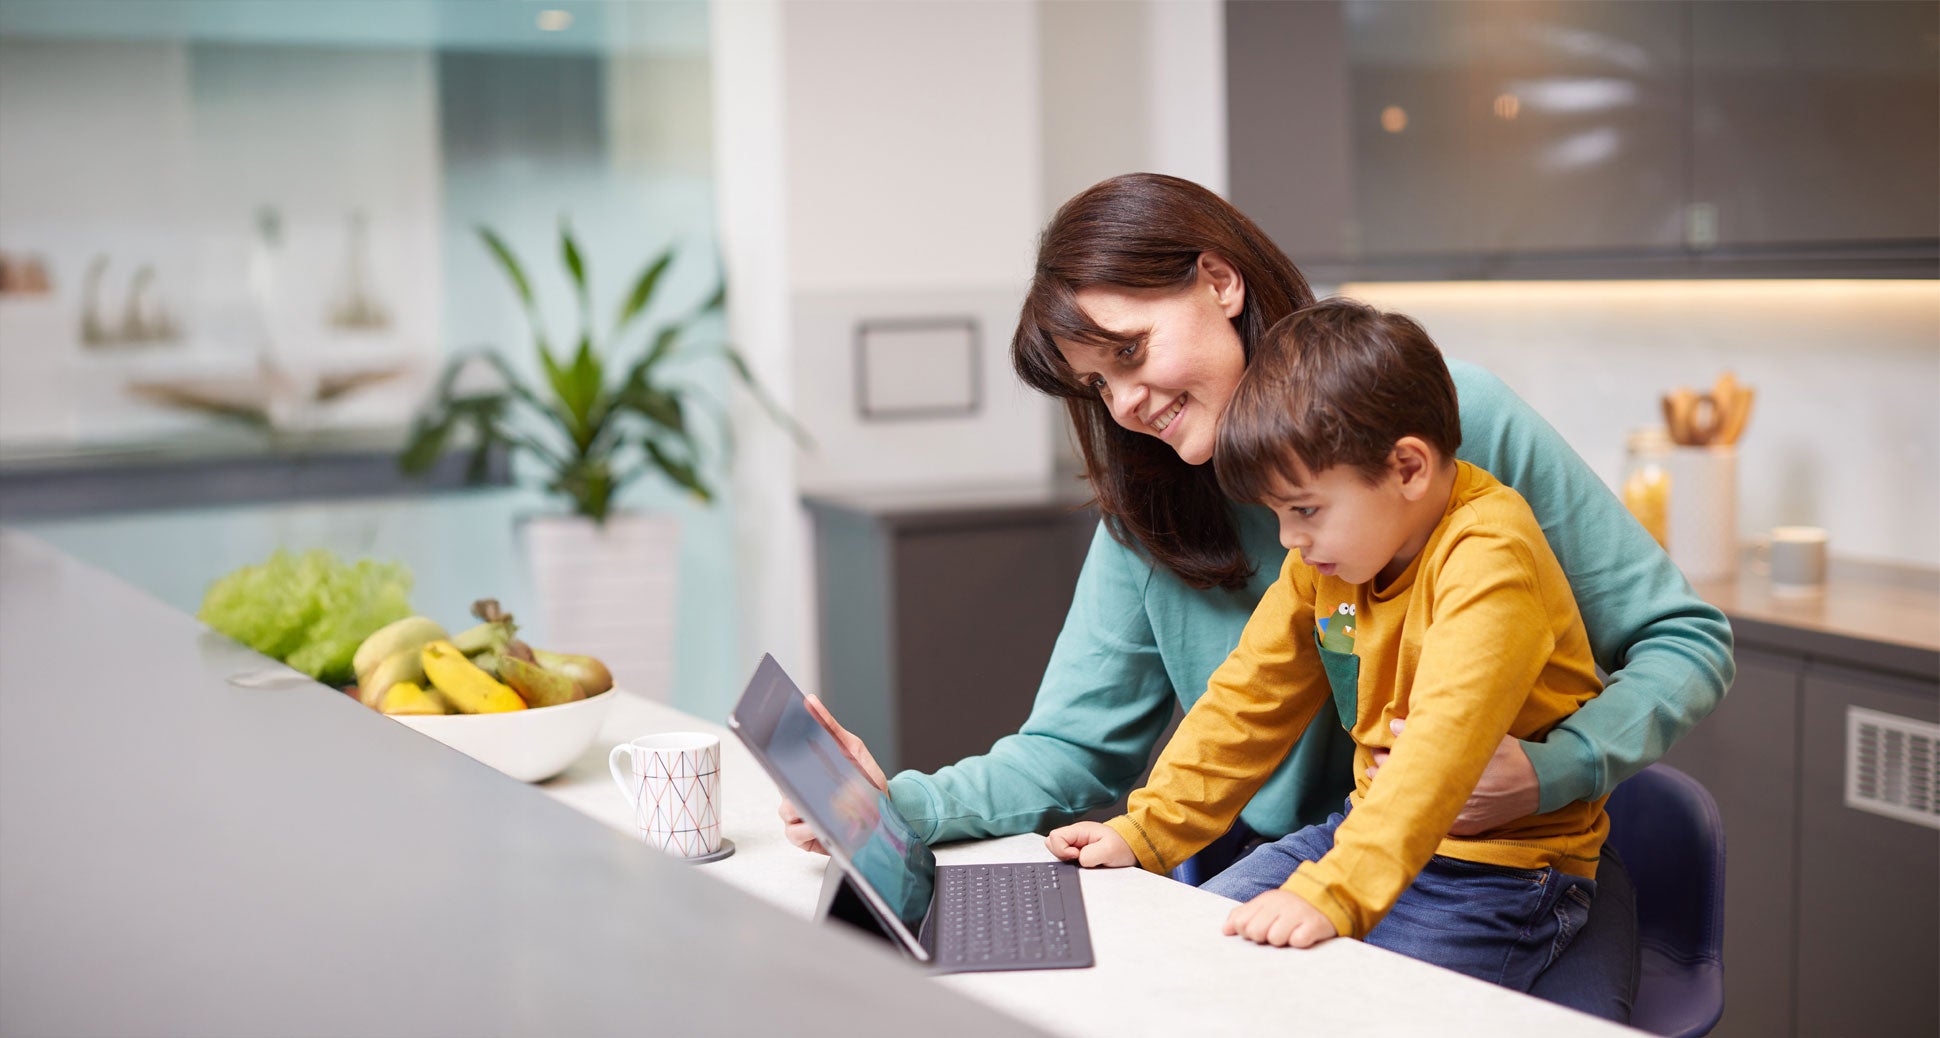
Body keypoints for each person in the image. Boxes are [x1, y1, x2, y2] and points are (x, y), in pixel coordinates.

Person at [782, 173, 1732, 1019]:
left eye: (1132, 352)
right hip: (1316, 854)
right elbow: (1080, 746)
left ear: (1220, 283)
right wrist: (893, 806)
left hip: (1493, 869)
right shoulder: (1157, 506)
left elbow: (1683, 640)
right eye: (1096, 385)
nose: (1125, 408)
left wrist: (1556, 767)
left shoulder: (1443, 426)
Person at [1045, 299, 1606, 992]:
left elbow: (1437, 751)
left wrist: (1333, 895)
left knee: (1334, 1006)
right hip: (1362, 832)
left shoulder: (1491, 557)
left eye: (1305, 510)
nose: (1288, 540)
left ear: (1406, 469)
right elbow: (1247, 700)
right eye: (1278, 514)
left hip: (1501, 873)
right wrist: (1148, 832)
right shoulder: (1326, 564)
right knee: (1193, 964)